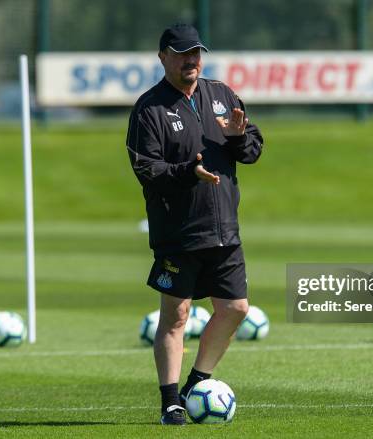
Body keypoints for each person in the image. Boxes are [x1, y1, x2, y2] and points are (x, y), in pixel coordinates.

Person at [125, 23, 264, 425]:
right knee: (176, 316)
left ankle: (195, 385)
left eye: (196, 53)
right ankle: (170, 401)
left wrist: (239, 138)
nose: (192, 61)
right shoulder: (149, 109)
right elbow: (146, 169)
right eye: (183, 53)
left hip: (224, 229)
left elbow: (253, 149)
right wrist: (189, 172)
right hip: (179, 232)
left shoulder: (221, 94)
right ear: (163, 57)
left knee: (236, 308)